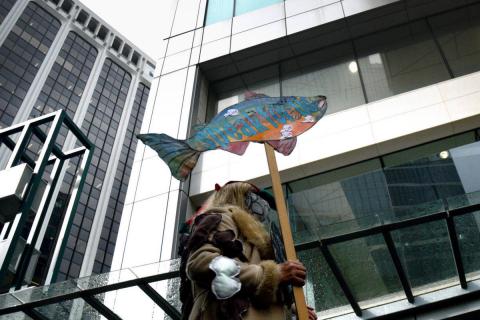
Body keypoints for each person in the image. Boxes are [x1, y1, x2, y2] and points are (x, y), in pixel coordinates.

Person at [181, 181, 317, 320]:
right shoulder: (221, 218)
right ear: (240, 195)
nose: (263, 204)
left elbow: (261, 295)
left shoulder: (258, 242)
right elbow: (201, 263)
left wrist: (293, 309)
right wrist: (271, 274)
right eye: (255, 196)